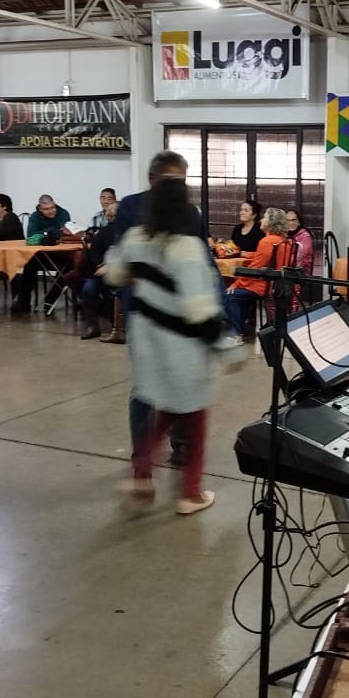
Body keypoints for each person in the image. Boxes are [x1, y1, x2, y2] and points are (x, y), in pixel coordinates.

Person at [106, 176, 220, 515]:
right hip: (183, 348)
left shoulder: (135, 239)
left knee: (165, 411)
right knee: (195, 420)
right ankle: (190, 494)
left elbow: (114, 274)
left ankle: (142, 475)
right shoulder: (188, 248)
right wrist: (222, 344)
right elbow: (199, 309)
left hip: (147, 342)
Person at [223, 207, 292, 343]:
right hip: (277, 284)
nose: (261, 220)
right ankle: (241, 330)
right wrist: (250, 254)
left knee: (231, 296)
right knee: (241, 296)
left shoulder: (267, 241)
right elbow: (269, 258)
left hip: (264, 285)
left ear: (271, 222)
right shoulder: (283, 241)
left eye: (265, 217)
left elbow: (254, 268)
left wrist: (236, 284)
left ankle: (235, 334)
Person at [11, 195, 71, 314]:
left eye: (53, 207)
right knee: (30, 263)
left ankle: (50, 300)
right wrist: (51, 232)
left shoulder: (63, 213)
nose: (51, 211)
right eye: (47, 209)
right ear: (40, 208)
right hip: (42, 255)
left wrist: (44, 234)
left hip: (62, 255)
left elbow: (64, 233)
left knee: (70, 267)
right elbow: (31, 236)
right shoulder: (35, 216)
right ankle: (23, 301)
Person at [79, 202, 118, 340]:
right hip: (103, 274)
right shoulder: (103, 232)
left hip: (122, 274)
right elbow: (94, 252)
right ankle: (93, 325)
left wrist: (109, 266)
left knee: (99, 289)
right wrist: (100, 265)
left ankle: (118, 326)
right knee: (88, 288)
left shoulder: (127, 233)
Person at [286, 210, 314, 274]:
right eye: (288, 220)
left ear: (299, 222)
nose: (291, 223)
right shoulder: (284, 235)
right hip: (286, 271)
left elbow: (300, 257)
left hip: (300, 273)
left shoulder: (305, 236)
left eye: (294, 220)